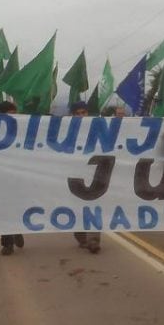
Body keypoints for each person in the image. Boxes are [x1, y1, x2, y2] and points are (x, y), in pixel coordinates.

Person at [70, 100, 101, 253]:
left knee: (94, 206)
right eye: (78, 113)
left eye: (84, 112)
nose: (81, 116)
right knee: (77, 208)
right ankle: (81, 236)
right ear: (72, 115)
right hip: (74, 175)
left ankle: (94, 240)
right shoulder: (66, 130)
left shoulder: (98, 127)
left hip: (94, 174)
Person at [0, 100, 25, 255]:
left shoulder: (22, 129)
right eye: (10, 115)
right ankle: (7, 243)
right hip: (1, 178)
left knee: (17, 208)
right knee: (4, 210)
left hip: (18, 177)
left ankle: (18, 230)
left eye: (15, 115)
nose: (13, 118)